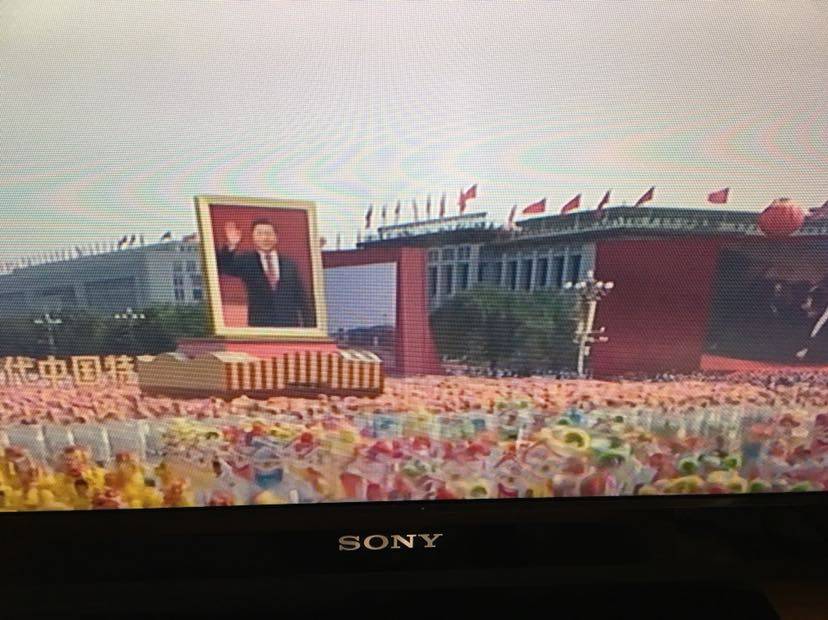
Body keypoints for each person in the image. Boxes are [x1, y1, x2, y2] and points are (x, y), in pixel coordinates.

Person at [216, 219, 313, 327]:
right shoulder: (246, 261)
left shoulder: (289, 264)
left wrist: (310, 328)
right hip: (260, 327)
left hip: (289, 327)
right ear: (253, 237)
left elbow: (302, 298)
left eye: (268, 233)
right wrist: (231, 245)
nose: (264, 238)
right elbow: (223, 266)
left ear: (276, 237)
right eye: (259, 234)